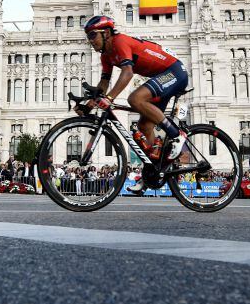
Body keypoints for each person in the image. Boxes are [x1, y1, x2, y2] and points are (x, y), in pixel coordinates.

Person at [81, 15, 189, 194]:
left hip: (174, 71)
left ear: (106, 32)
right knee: (144, 125)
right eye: (88, 37)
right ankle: (154, 172)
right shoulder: (106, 57)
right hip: (161, 76)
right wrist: (88, 105)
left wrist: (110, 98)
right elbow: (103, 84)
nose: (90, 41)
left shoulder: (119, 41)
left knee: (135, 99)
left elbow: (128, 73)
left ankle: (177, 135)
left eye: (93, 35)